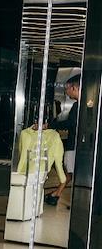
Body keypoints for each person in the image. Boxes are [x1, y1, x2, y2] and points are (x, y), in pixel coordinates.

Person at [47, 73, 81, 205]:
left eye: (67, 89)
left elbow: (70, 124)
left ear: (74, 88)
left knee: (69, 172)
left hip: (74, 145)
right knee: (70, 173)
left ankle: (57, 195)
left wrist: (49, 126)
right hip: (78, 144)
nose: (66, 92)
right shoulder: (82, 105)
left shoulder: (78, 106)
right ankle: (56, 194)